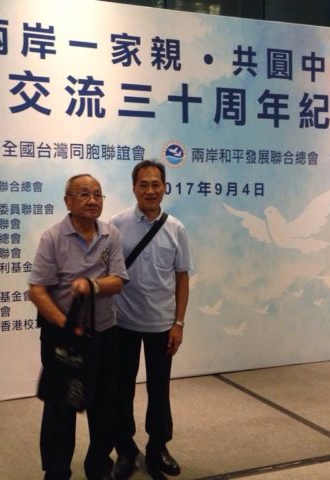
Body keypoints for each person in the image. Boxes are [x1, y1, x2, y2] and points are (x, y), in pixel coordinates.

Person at [29, 174, 128, 480]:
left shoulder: (110, 234)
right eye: (84, 194)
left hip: (104, 334)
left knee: (104, 405)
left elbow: (118, 280)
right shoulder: (53, 238)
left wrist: (92, 285)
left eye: (97, 194)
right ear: (68, 201)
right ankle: (57, 471)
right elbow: (37, 291)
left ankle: (98, 466)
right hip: (63, 337)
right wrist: (66, 326)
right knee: (60, 407)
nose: (92, 200)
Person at [110, 160, 192, 480]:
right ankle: (125, 449)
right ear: (134, 188)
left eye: (155, 184)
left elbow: (182, 277)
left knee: (160, 389)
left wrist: (179, 323)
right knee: (122, 390)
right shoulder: (116, 224)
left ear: (164, 187)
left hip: (161, 325)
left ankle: (158, 447)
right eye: (143, 184)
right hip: (122, 323)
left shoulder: (176, 229)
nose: (150, 190)